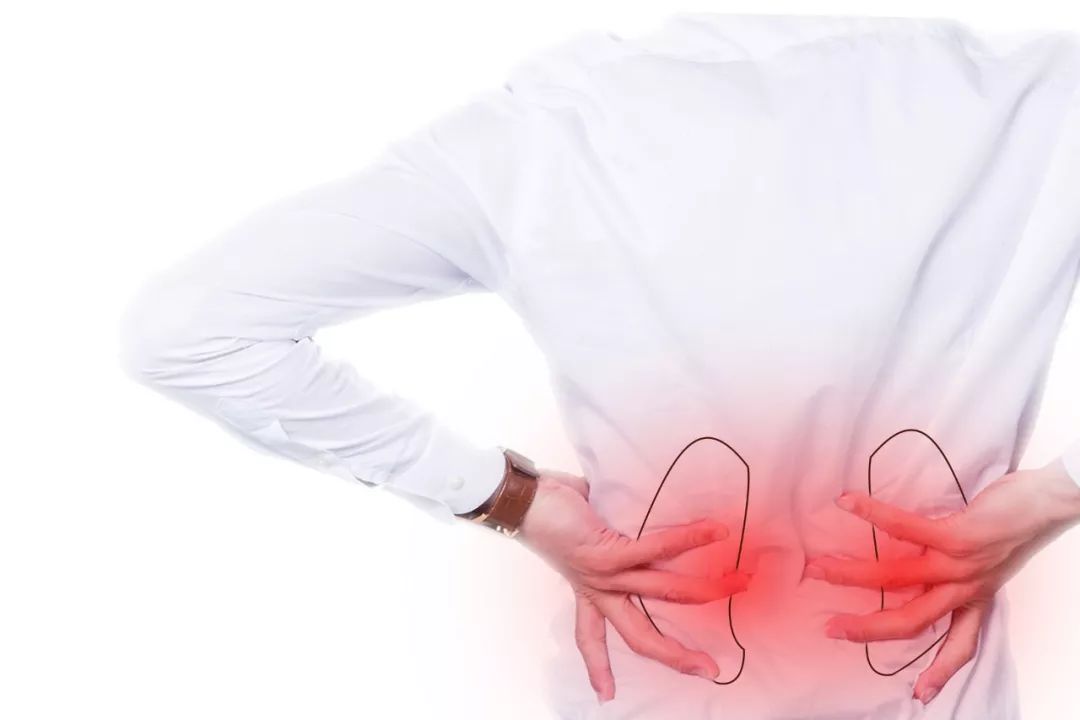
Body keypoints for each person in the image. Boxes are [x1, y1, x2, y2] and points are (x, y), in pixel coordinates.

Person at [118, 11, 1080, 719]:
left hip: (652, 686)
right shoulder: (1047, 102)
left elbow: (190, 328)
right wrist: (1049, 498)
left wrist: (508, 498)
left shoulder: (543, 134)